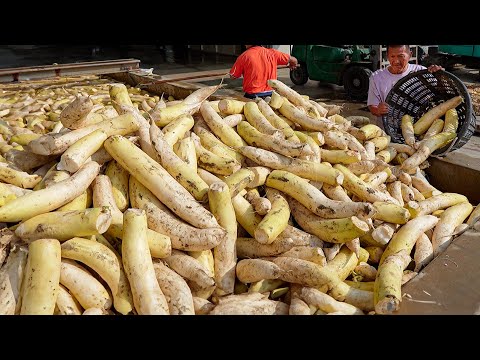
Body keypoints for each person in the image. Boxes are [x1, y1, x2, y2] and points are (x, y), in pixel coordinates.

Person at [367, 45, 443, 128]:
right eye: (392, 56)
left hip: (418, 128)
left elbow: (440, 92)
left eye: (401, 56)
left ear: (410, 55)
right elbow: (372, 106)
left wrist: (440, 76)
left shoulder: (421, 72)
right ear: (387, 56)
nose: (396, 61)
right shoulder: (376, 77)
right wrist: (378, 110)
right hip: (387, 131)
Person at [229, 45, 298, 99]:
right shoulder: (273, 53)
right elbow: (294, 60)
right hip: (272, 95)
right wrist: (292, 64)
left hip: (253, 96)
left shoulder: (244, 56)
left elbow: (232, 76)